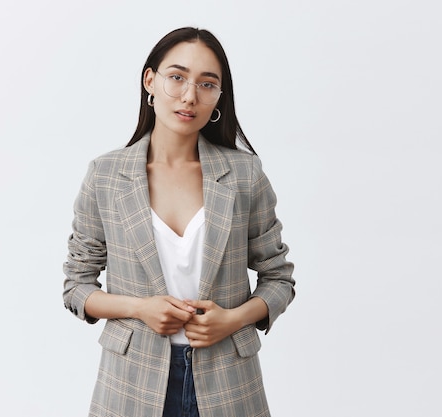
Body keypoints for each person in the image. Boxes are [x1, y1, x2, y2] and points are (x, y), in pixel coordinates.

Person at [63, 27, 295, 417]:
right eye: (177, 77)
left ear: (220, 97)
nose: (190, 95)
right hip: (131, 383)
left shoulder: (244, 174)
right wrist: (140, 308)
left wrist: (232, 319)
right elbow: (76, 288)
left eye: (207, 84)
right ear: (149, 81)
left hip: (229, 383)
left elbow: (279, 279)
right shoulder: (104, 175)